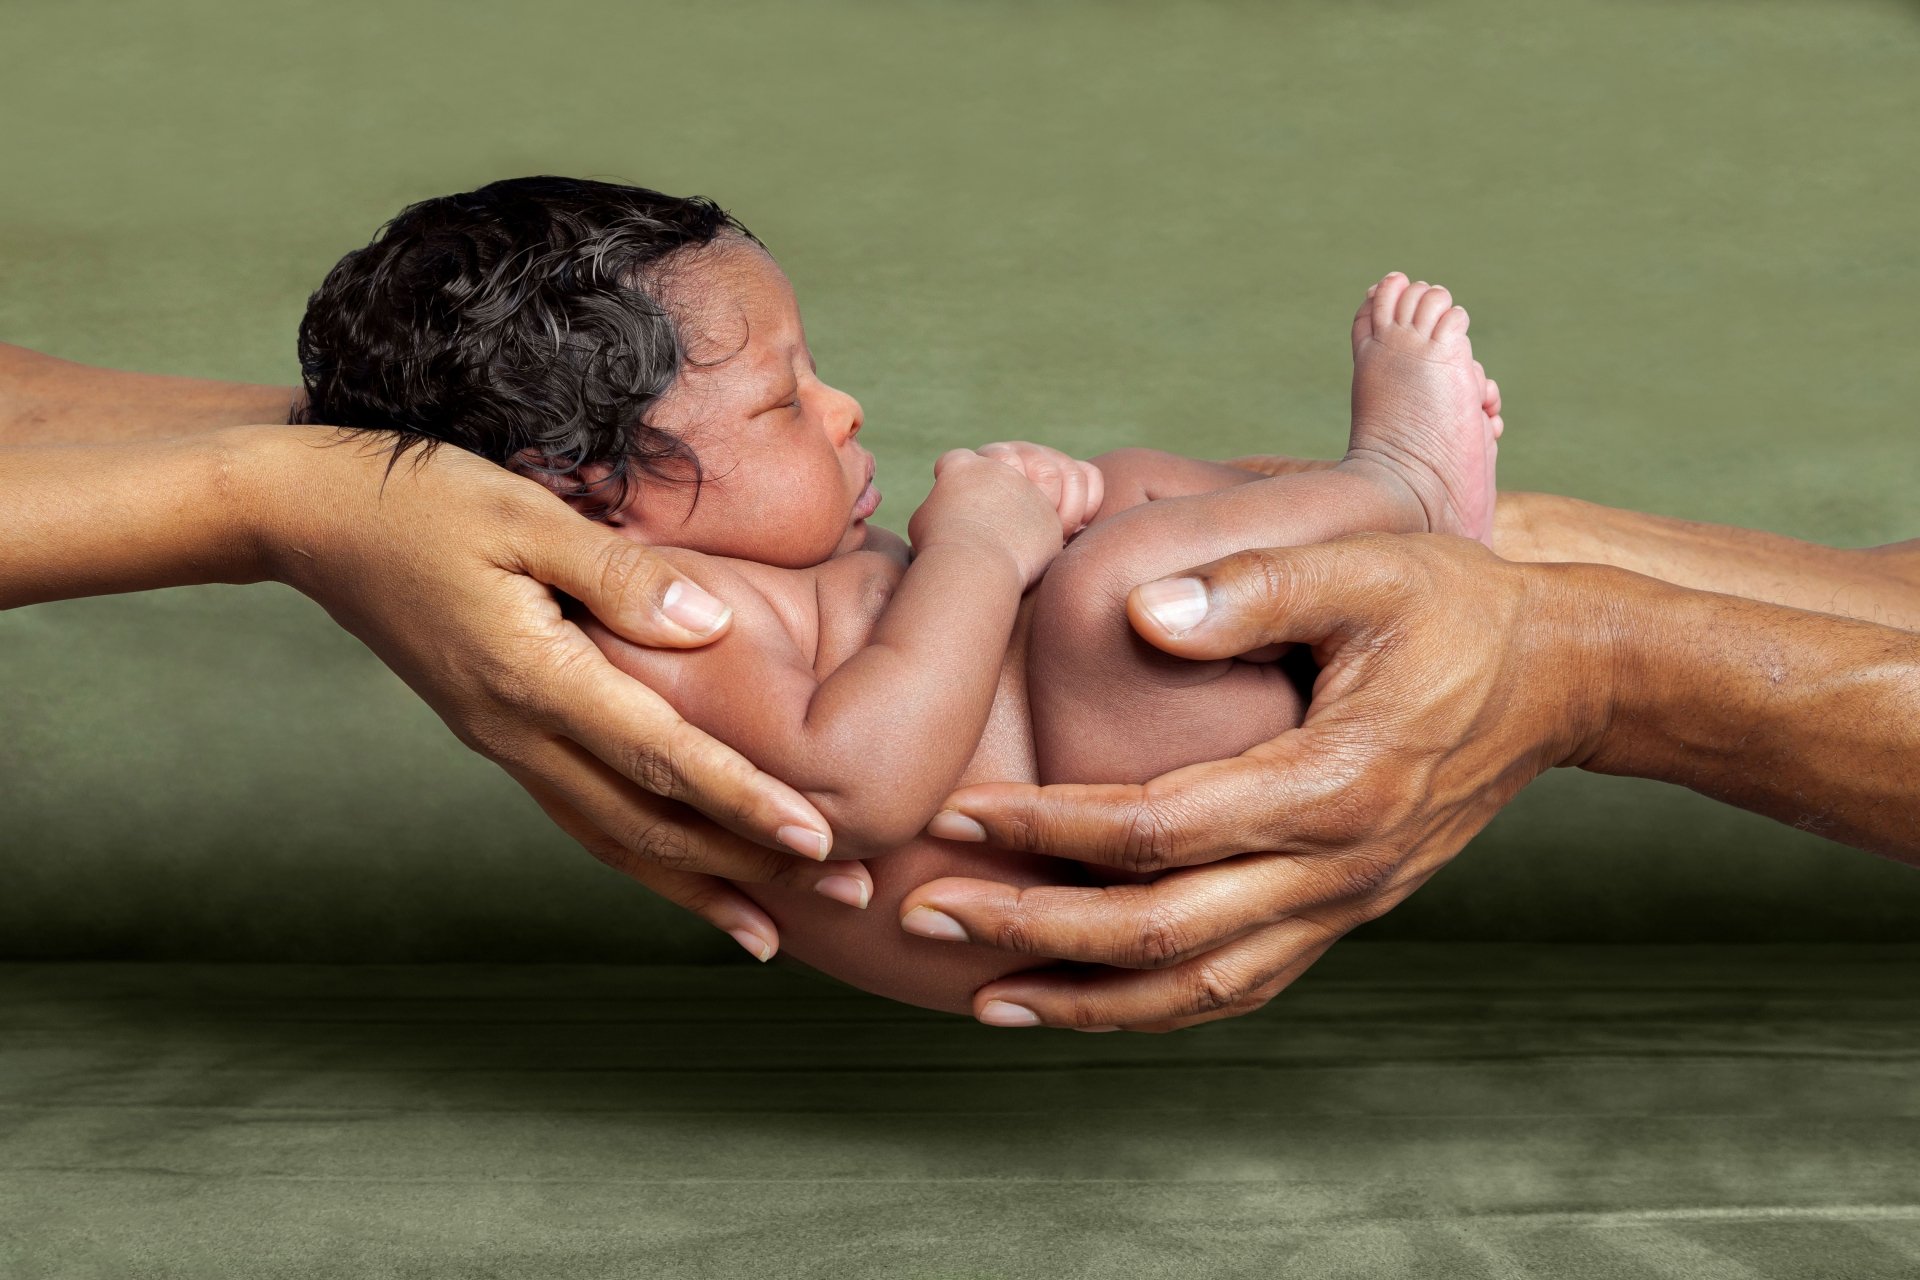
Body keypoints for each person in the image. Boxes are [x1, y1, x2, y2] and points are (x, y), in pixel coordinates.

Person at [286, 176, 1508, 1012]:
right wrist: (982, 544)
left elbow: (955, 646)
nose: (845, 409)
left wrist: (1033, 514)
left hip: (1127, 759)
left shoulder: (777, 568)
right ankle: (1400, 478)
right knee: (1114, 589)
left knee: (1125, 491)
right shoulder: (651, 623)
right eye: (784, 400)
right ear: (585, 484)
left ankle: (1413, 538)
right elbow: (854, 787)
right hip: (1091, 874)